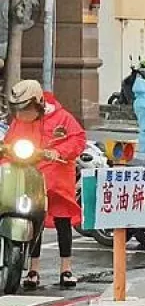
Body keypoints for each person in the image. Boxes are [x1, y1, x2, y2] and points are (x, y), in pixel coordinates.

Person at [4, 80, 85, 289]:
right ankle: (33, 269)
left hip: (57, 179)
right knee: (31, 219)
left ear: (37, 103)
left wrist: (60, 152)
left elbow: (78, 139)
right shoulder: (21, 120)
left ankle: (66, 268)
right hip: (29, 177)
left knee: (62, 221)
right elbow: (9, 144)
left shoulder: (63, 118)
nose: (22, 114)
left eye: (26, 108)